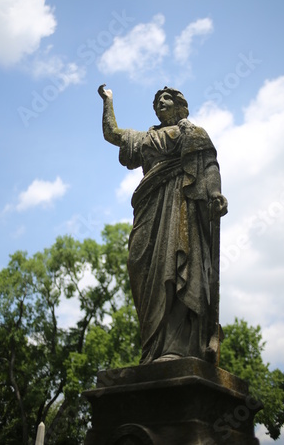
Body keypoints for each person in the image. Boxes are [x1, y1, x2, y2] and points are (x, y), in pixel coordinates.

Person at [98, 84, 228, 364]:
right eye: (157, 100)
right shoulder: (144, 138)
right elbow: (112, 134)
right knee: (139, 263)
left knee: (176, 267)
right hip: (149, 206)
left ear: (181, 106)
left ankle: (177, 346)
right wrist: (108, 101)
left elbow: (209, 166)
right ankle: (152, 347)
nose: (161, 103)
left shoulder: (192, 134)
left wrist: (215, 193)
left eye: (167, 98)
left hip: (180, 205)